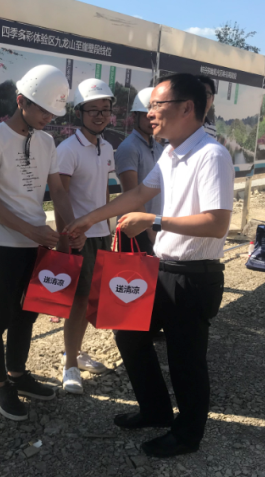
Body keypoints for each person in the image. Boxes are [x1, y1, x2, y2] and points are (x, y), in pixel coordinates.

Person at [66, 73, 234, 457]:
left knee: (185, 359)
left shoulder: (211, 155)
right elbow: (140, 193)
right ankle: (155, 410)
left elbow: (217, 222)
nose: (149, 113)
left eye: (157, 105)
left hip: (193, 276)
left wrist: (154, 221)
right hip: (162, 268)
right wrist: (89, 219)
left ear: (187, 108)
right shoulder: (171, 154)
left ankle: (187, 435)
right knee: (128, 333)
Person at [0, 65, 83, 421]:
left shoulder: (46, 142)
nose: (48, 118)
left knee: (28, 312)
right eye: (43, 110)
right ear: (21, 101)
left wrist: (71, 229)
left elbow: (59, 191)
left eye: (53, 113)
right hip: (4, 246)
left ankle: (17, 374)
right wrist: (32, 231)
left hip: (37, 246)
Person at [54, 78, 115, 394]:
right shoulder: (67, 150)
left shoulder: (107, 147)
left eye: (105, 109)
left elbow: (103, 192)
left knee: (92, 300)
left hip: (101, 234)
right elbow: (59, 197)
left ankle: (75, 352)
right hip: (79, 238)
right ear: (79, 112)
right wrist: (66, 240)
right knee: (77, 303)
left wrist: (110, 228)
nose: (100, 115)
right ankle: (69, 366)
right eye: (93, 110)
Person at [114, 87, 164, 255]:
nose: (152, 119)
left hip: (154, 225)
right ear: (135, 116)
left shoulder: (158, 147)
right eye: (146, 116)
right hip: (135, 229)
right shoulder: (129, 148)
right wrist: (150, 232)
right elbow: (132, 194)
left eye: (155, 115)